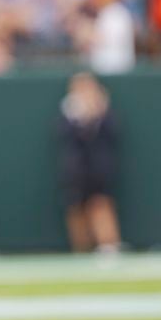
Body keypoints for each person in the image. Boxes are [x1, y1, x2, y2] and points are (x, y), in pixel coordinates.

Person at [58, 72, 122, 253]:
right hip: (76, 169)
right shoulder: (68, 112)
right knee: (76, 208)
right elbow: (64, 136)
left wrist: (95, 115)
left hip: (99, 167)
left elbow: (113, 133)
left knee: (100, 203)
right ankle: (81, 248)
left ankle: (108, 245)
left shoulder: (104, 110)